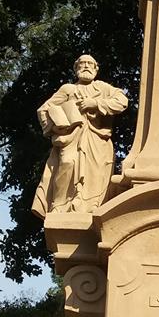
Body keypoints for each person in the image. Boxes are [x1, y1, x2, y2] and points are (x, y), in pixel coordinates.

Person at [32, 55, 128, 217]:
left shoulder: (103, 88)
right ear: (76, 68)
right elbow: (44, 110)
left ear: (96, 69)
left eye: (90, 64)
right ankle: (59, 204)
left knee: (95, 171)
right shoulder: (68, 89)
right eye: (82, 64)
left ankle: (92, 205)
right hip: (71, 137)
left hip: (96, 138)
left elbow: (122, 101)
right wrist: (56, 127)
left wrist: (96, 103)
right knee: (67, 163)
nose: (86, 66)